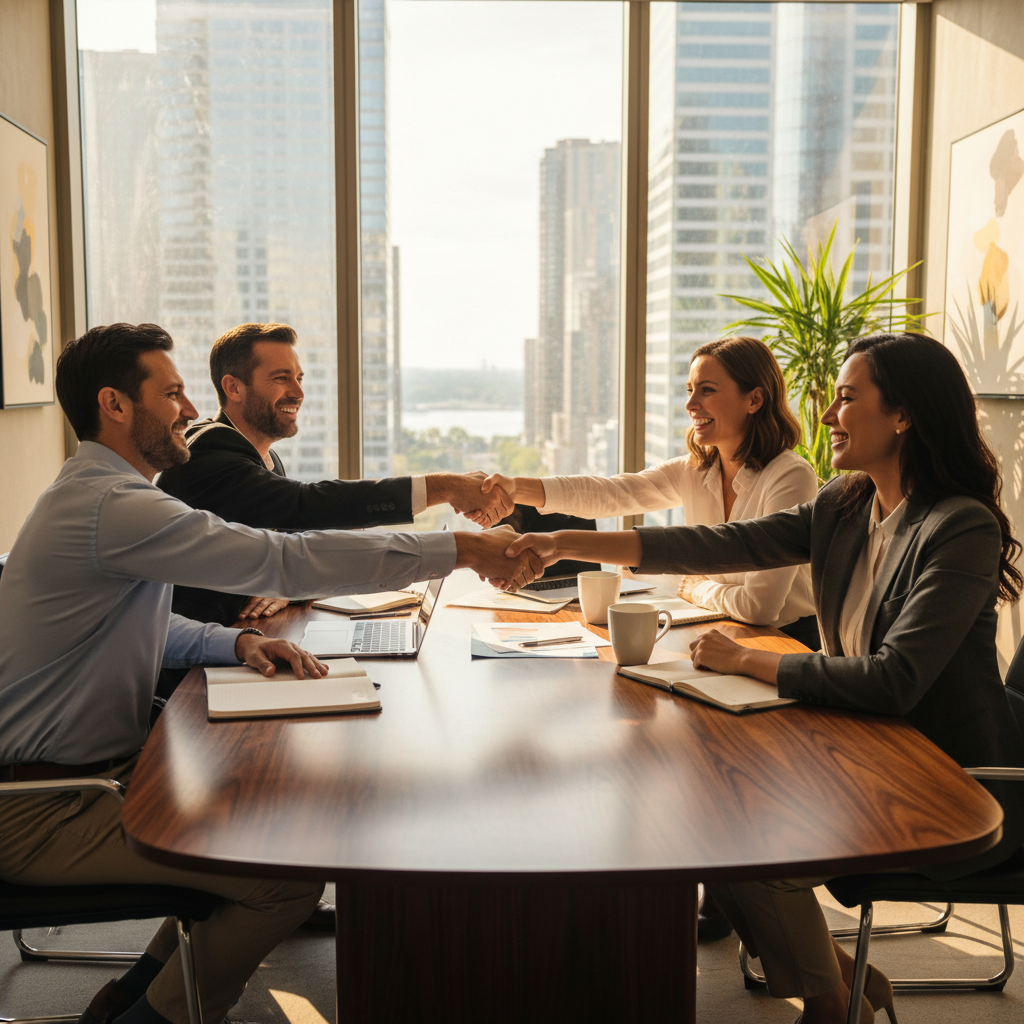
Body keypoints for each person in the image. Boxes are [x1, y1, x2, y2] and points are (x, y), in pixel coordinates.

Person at [0, 323, 539, 1024]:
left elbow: (129, 623)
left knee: (264, 822)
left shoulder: (95, 495)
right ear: (115, 404)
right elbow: (285, 558)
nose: (191, 409)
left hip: (97, 777)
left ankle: (130, 999)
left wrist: (235, 642)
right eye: (172, 393)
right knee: (283, 879)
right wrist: (460, 546)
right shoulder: (114, 505)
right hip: (49, 807)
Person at [504, 332, 1024, 1024]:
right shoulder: (845, 503)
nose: (830, 415)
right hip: (864, 749)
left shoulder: (959, 529)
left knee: (743, 835)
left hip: (944, 779)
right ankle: (840, 993)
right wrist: (563, 542)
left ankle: (835, 999)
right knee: (710, 807)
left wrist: (754, 660)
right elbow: (719, 544)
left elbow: (895, 680)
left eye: (846, 399)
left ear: (902, 416)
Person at [158, 321, 513, 628]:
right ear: (233, 388)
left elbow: (305, 552)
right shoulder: (209, 455)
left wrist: (290, 587)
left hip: (241, 639)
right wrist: (444, 487)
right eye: (281, 379)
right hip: (192, 667)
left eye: (298, 378)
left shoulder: (261, 458)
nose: (298, 392)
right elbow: (307, 506)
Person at [480, 336, 820, 651]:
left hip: (783, 644)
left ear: (754, 399)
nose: (690, 404)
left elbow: (759, 607)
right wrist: (515, 487)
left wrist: (692, 586)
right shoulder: (696, 469)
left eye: (707, 390)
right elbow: (610, 494)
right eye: (689, 389)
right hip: (720, 632)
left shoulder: (790, 476)